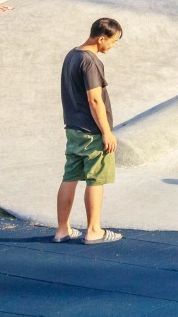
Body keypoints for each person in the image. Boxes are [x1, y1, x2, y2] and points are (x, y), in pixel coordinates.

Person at [55, 17, 124, 244]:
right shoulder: (90, 61)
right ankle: (94, 231)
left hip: (73, 129)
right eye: (113, 42)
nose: (113, 46)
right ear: (101, 38)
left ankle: (62, 230)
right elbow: (95, 100)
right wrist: (106, 131)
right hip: (92, 132)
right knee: (96, 180)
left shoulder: (72, 55)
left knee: (70, 177)